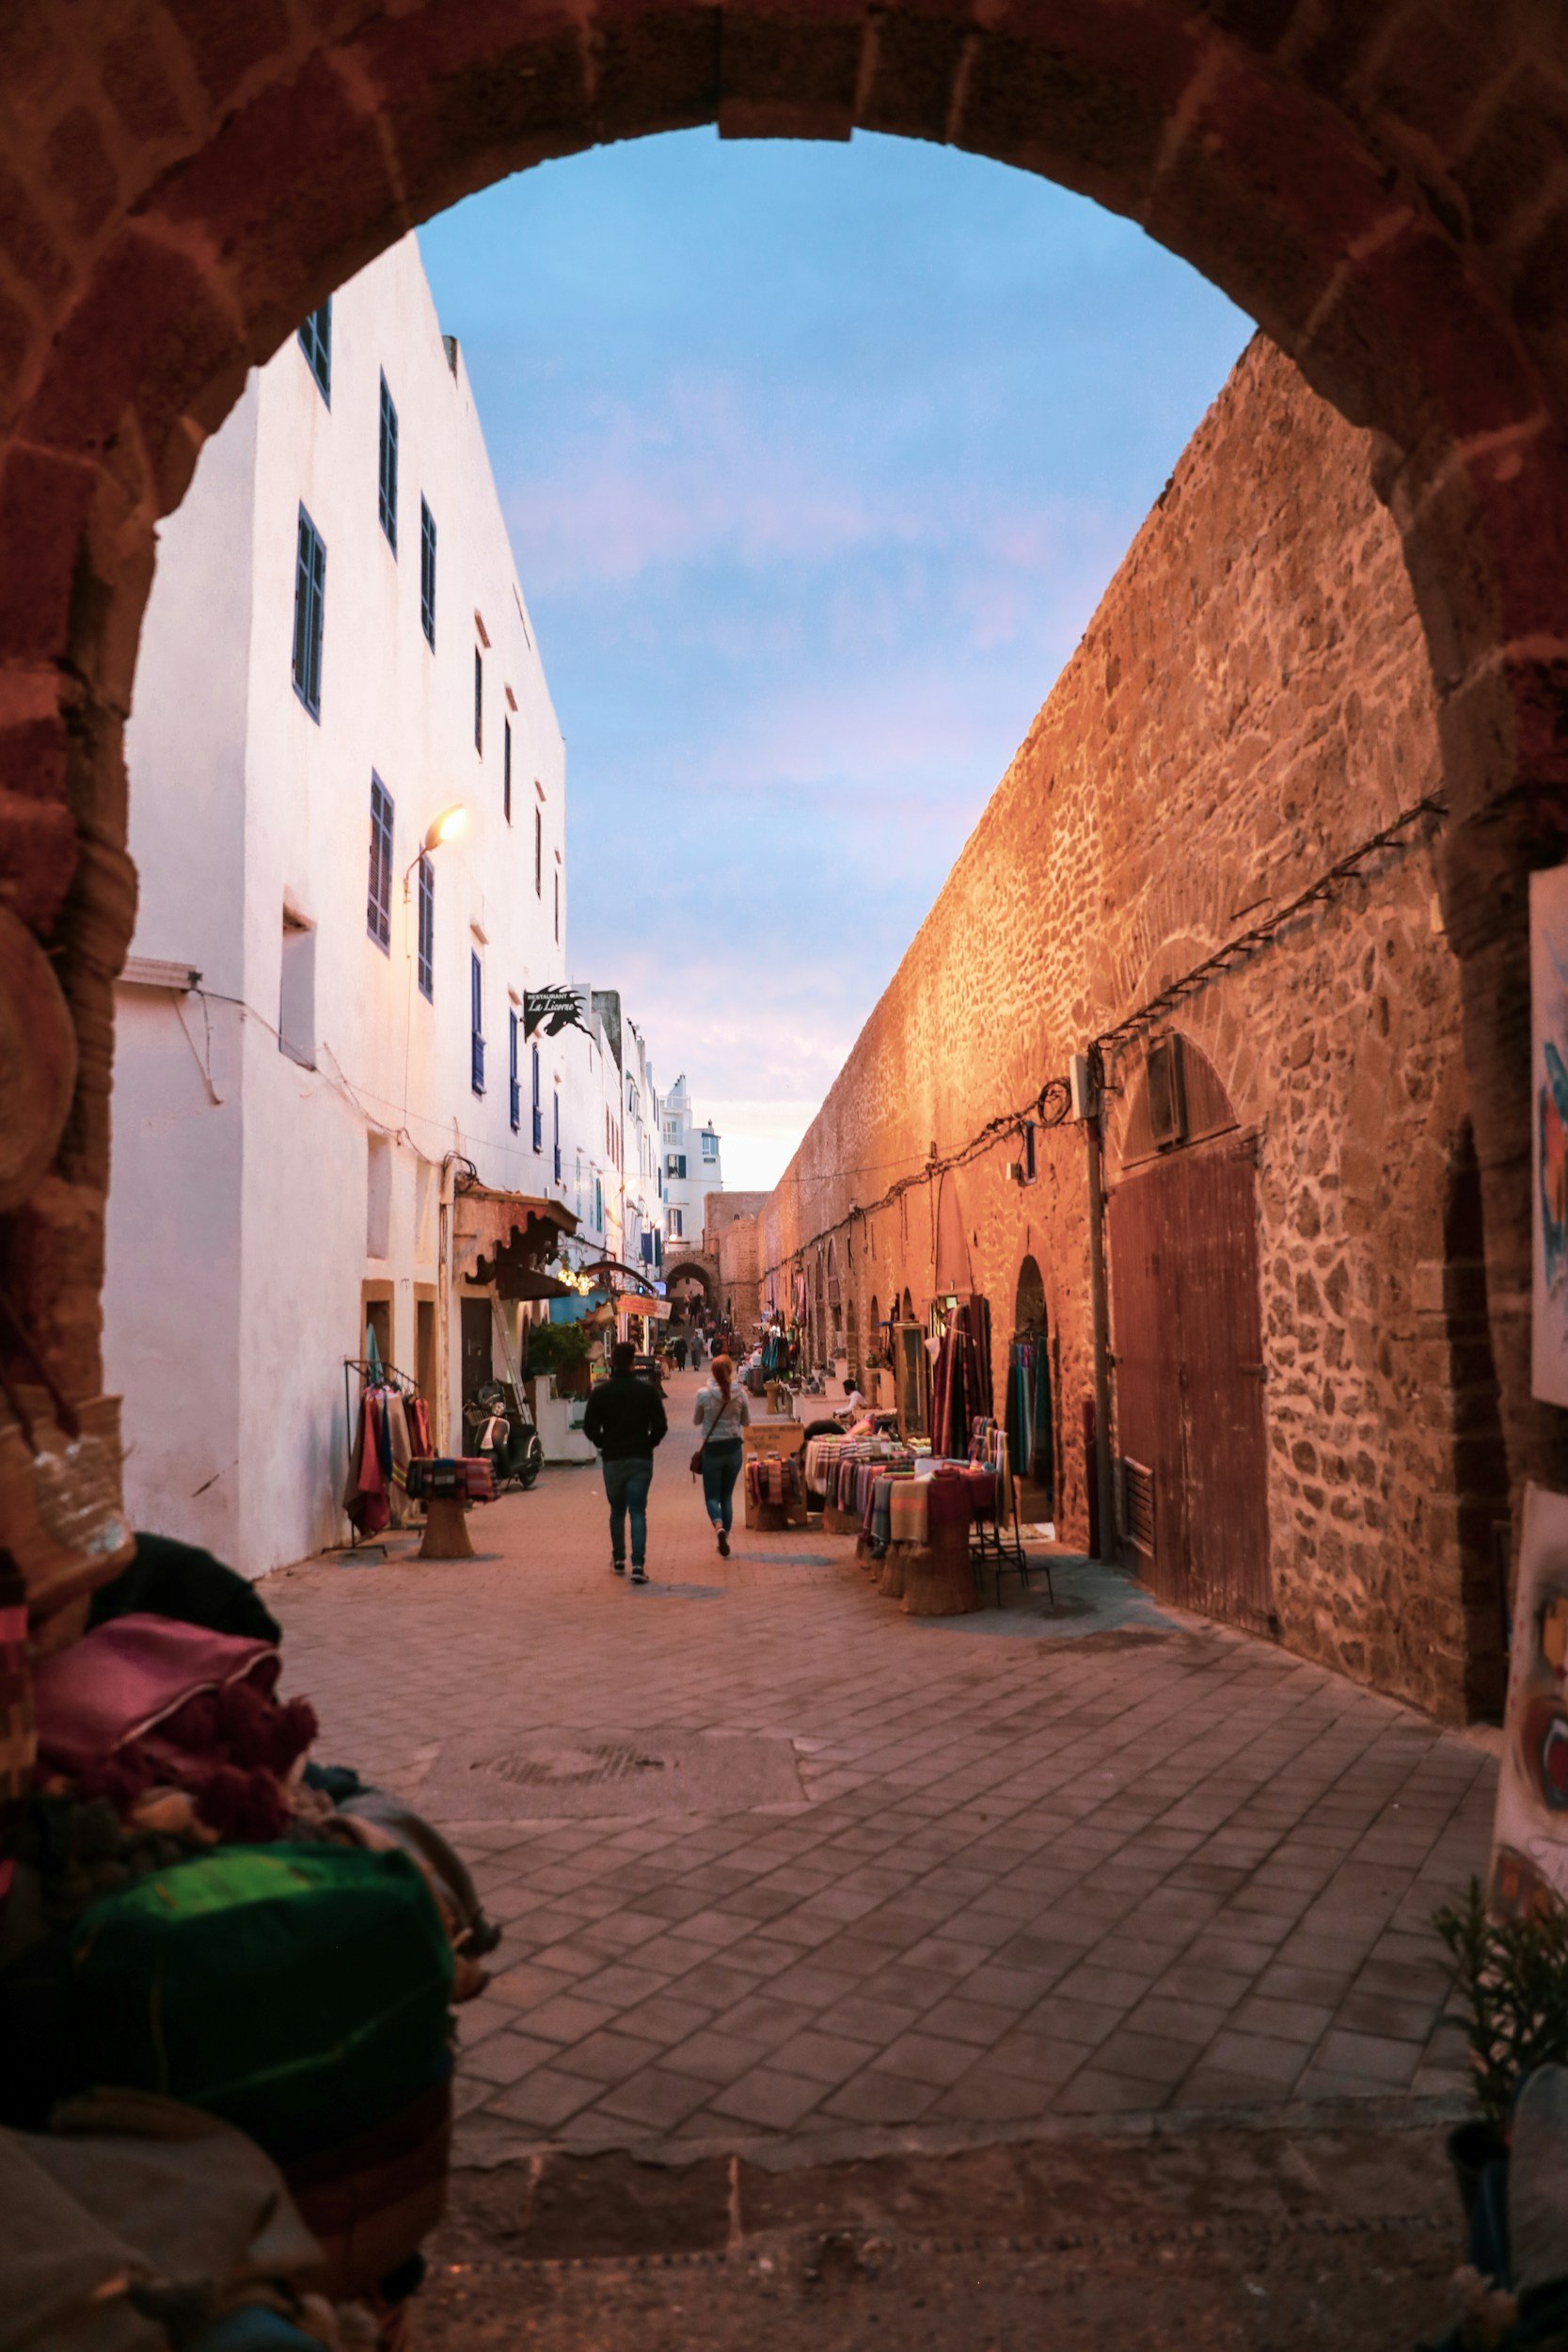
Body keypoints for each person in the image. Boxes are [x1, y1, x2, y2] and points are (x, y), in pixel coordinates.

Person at [581, 1339, 668, 1584]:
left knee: (617, 1510)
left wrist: (603, 1443)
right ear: (632, 1362)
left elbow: (589, 1427)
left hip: (613, 1460)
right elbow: (661, 1425)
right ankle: (638, 1565)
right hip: (640, 1458)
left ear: (612, 1362)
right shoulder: (647, 1391)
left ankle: (619, 1558)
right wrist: (649, 1443)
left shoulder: (601, 1393)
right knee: (638, 1511)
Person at [692, 1352, 749, 1557]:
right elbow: (747, 1421)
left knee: (712, 1497)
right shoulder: (741, 1394)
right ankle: (725, 1535)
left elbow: (697, 1420)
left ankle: (719, 1527)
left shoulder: (703, 1394)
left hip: (713, 1450)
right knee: (727, 1497)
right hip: (734, 1449)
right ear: (730, 1371)